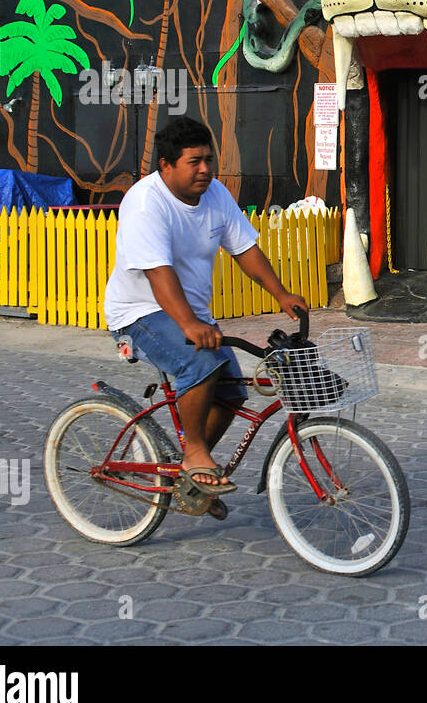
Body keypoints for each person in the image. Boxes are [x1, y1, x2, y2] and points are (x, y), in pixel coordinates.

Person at [104, 117, 308, 518]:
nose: (205, 169)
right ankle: (195, 451)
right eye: (194, 161)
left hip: (190, 314)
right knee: (200, 363)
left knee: (232, 390)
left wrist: (281, 293)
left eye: (209, 160)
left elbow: (245, 248)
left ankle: (188, 474)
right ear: (166, 165)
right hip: (140, 312)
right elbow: (158, 274)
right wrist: (189, 325)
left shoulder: (214, 194)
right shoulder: (146, 202)